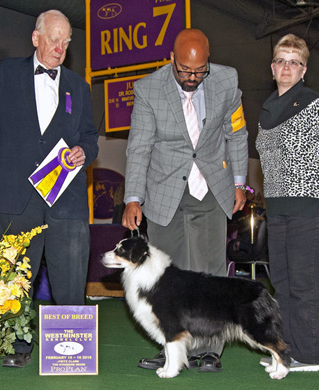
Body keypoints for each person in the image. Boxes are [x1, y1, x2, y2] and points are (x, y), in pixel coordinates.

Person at [122, 28, 248, 372]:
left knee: (209, 274)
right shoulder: (149, 89)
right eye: (185, 71)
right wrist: (133, 198)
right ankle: (171, 351)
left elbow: (236, 133)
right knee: (166, 281)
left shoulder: (226, 80)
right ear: (172, 60)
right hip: (164, 191)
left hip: (210, 186)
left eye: (199, 71)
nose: (192, 78)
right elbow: (139, 146)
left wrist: (240, 182)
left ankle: (208, 350)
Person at [0, 10, 99, 367]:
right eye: (54, 39)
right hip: (16, 198)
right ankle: (17, 347)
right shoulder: (6, 73)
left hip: (65, 201)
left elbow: (90, 137)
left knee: (71, 276)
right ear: (35, 38)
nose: (60, 48)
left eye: (66, 42)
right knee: (17, 277)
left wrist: (83, 152)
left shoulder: (79, 86)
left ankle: (71, 353)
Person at [256, 34, 319, 371]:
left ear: (303, 70)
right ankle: (287, 352)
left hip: (312, 208)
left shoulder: (316, 104)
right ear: (272, 67)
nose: (287, 67)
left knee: (304, 285)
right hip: (279, 209)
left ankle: (309, 356)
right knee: (280, 284)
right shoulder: (266, 110)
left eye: (294, 62)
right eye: (281, 60)